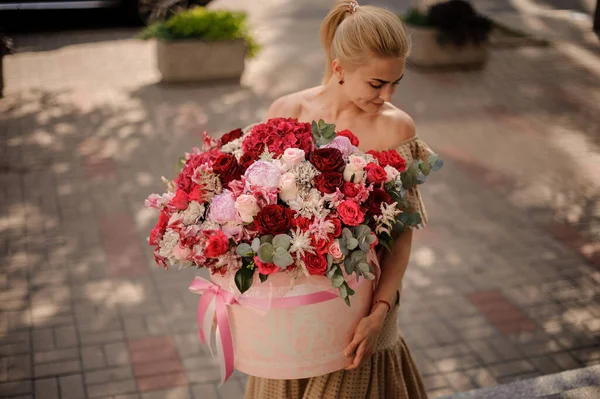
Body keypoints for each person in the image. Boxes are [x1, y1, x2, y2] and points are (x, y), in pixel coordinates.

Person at [245, 1, 432, 397]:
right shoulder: (287, 111)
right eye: (377, 84)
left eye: (396, 83)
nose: (387, 95)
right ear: (339, 69)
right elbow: (253, 214)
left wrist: (379, 312)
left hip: (361, 313)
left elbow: (401, 233)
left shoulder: (397, 127)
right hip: (292, 310)